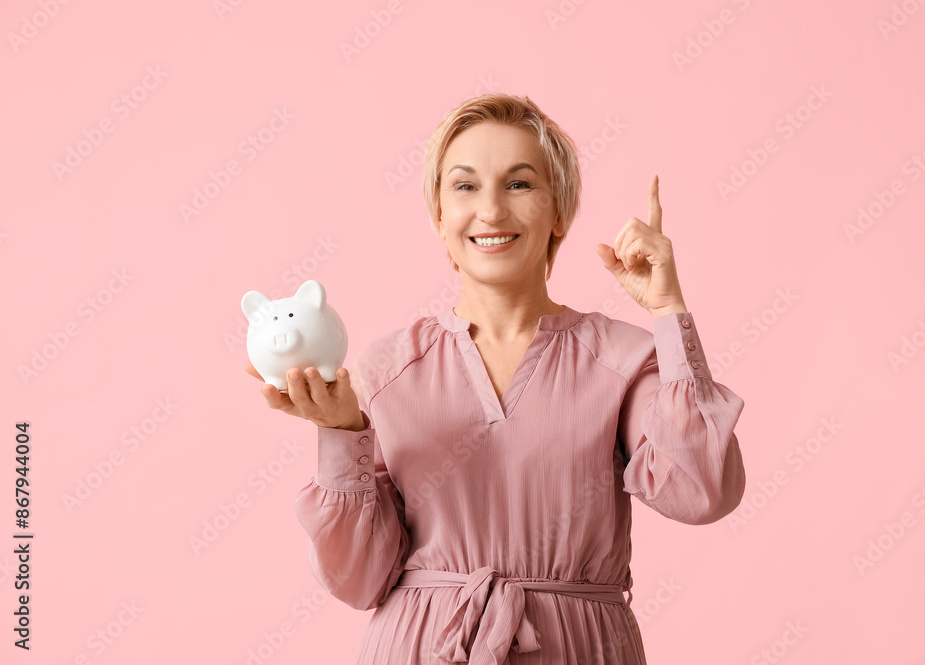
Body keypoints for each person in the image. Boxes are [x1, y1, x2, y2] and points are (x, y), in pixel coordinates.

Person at [245, 93, 746, 664]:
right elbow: (358, 580)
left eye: (519, 184)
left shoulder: (624, 358)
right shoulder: (387, 368)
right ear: (438, 215)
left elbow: (702, 490)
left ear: (560, 210)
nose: (491, 210)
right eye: (464, 186)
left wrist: (667, 311)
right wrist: (340, 433)